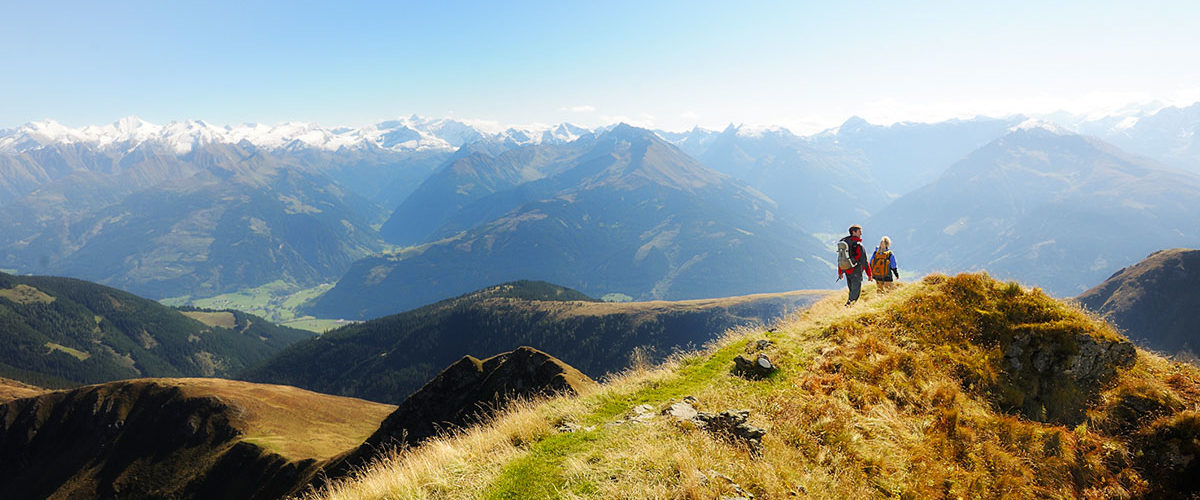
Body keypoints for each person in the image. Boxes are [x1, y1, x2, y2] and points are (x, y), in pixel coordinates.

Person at [840, 224, 871, 306]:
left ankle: (848, 309)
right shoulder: (858, 245)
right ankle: (847, 308)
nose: (861, 234)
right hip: (856, 271)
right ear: (853, 232)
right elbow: (864, 261)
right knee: (855, 294)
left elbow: (840, 258)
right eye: (859, 232)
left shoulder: (845, 243)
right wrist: (869, 275)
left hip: (847, 270)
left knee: (852, 291)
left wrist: (840, 272)